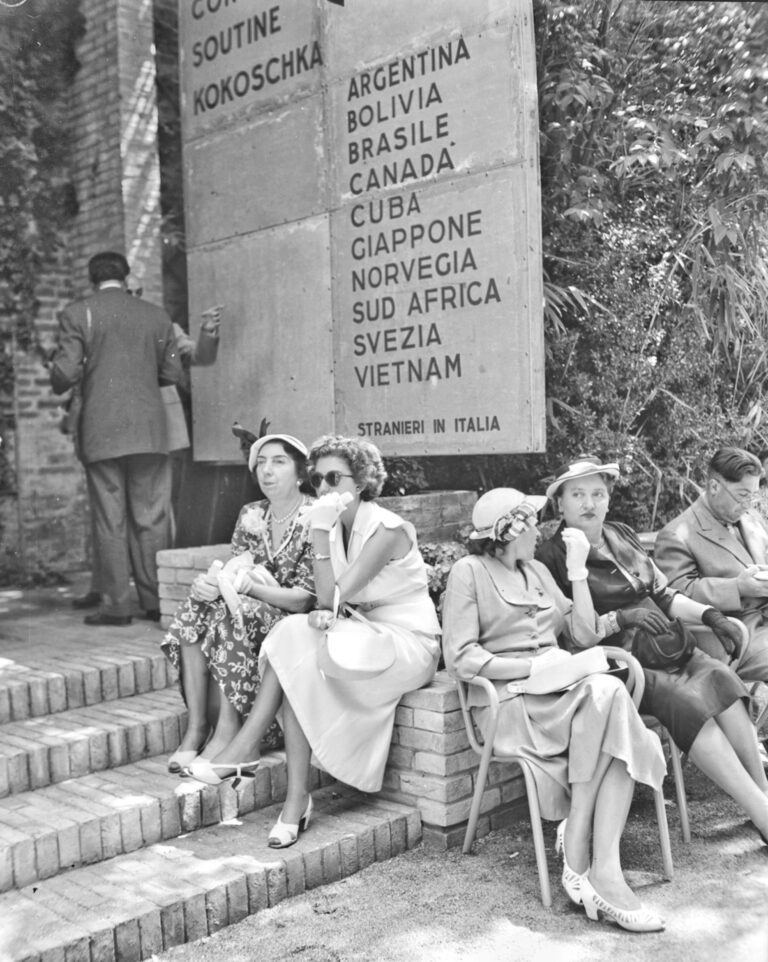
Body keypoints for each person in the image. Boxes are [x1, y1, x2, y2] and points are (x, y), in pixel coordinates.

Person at [186, 435, 441, 849]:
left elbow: (331, 597)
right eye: (318, 480)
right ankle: (292, 797)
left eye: (334, 479)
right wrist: (324, 536)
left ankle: (251, 757)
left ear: (359, 482)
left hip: (409, 643)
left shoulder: (387, 530)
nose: (323, 489)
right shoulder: (334, 523)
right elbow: (327, 602)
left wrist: (319, 532)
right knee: (290, 642)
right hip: (362, 634)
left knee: (295, 654)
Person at [535, 457, 768, 850]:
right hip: (616, 661)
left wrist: (711, 616)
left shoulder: (621, 534)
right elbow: (578, 636)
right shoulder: (551, 556)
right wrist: (624, 617)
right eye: (578, 495)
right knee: (687, 700)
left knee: (721, 678)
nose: (589, 503)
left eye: (598, 494)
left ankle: (763, 793)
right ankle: (761, 813)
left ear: (609, 500)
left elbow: (664, 594)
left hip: (664, 643)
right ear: (561, 503)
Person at [162, 434, 315, 773]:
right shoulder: (252, 513)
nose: (267, 471)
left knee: (237, 610)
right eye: (261, 462)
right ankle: (197, 727)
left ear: (301, 473)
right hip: (245, 608)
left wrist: (246, 589)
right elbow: (236, 568)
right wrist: (212, 585)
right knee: (197, 604)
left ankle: (227, 731)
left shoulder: (314, 515)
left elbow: (304, 599)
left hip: (290, 618)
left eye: (278, 462)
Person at [50, 251, 181, 626]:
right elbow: (171, 372)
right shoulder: (156, 315)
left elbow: (64, 374)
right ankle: (156, 602)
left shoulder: (78, 313)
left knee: (110, 520)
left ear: (92, 279)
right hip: (151, 430)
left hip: (102, 430)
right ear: (126, 277)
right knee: (152, 517)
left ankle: (117, 606)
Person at [73, 305, 223, 614]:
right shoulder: (95, 323)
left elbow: (199, 356)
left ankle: (154, 596)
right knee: (108, 516)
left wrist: (207, 331)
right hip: (110, 426)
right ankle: (107, 589)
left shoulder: (157, 323)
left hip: (153, 428)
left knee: (150, 514)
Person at [654, 447, 768, 739]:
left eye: (754, 495)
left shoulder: (751, 520)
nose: (750, 503)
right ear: (714, 486)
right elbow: (677, 593)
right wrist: (737, 588)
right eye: (743, 495)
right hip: (733, 635)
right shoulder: (677, 533)